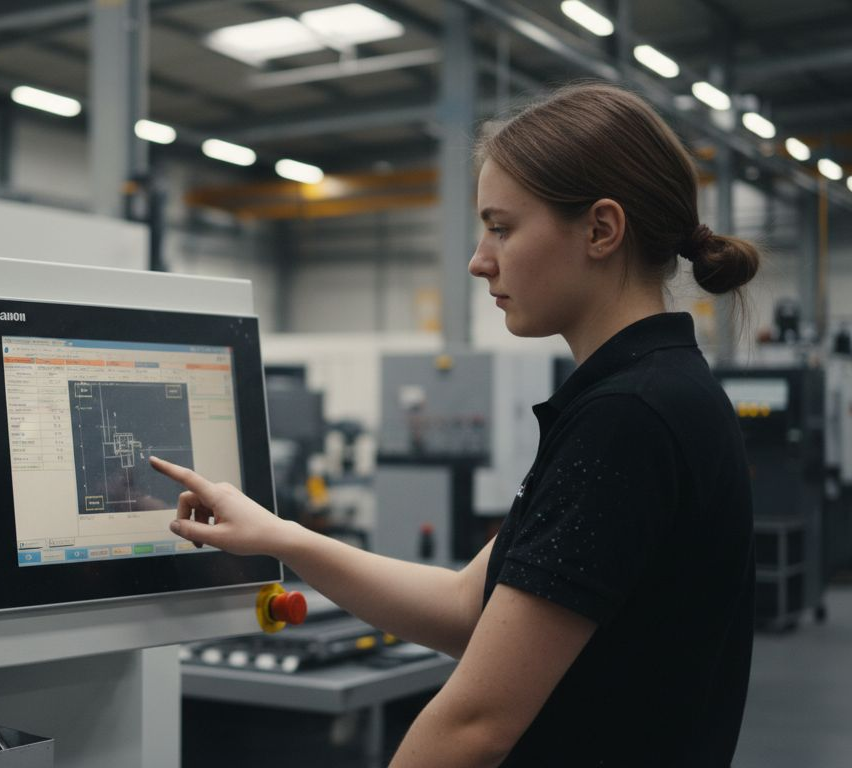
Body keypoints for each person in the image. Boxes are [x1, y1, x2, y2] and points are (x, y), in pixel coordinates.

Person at [150, 82, 759, 767]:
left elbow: (475, 721)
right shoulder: (654, 392)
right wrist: (280, 536)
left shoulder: (630, 416)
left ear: (600, 229)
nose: (478, 260)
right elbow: (471, 606)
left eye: (501, 227)